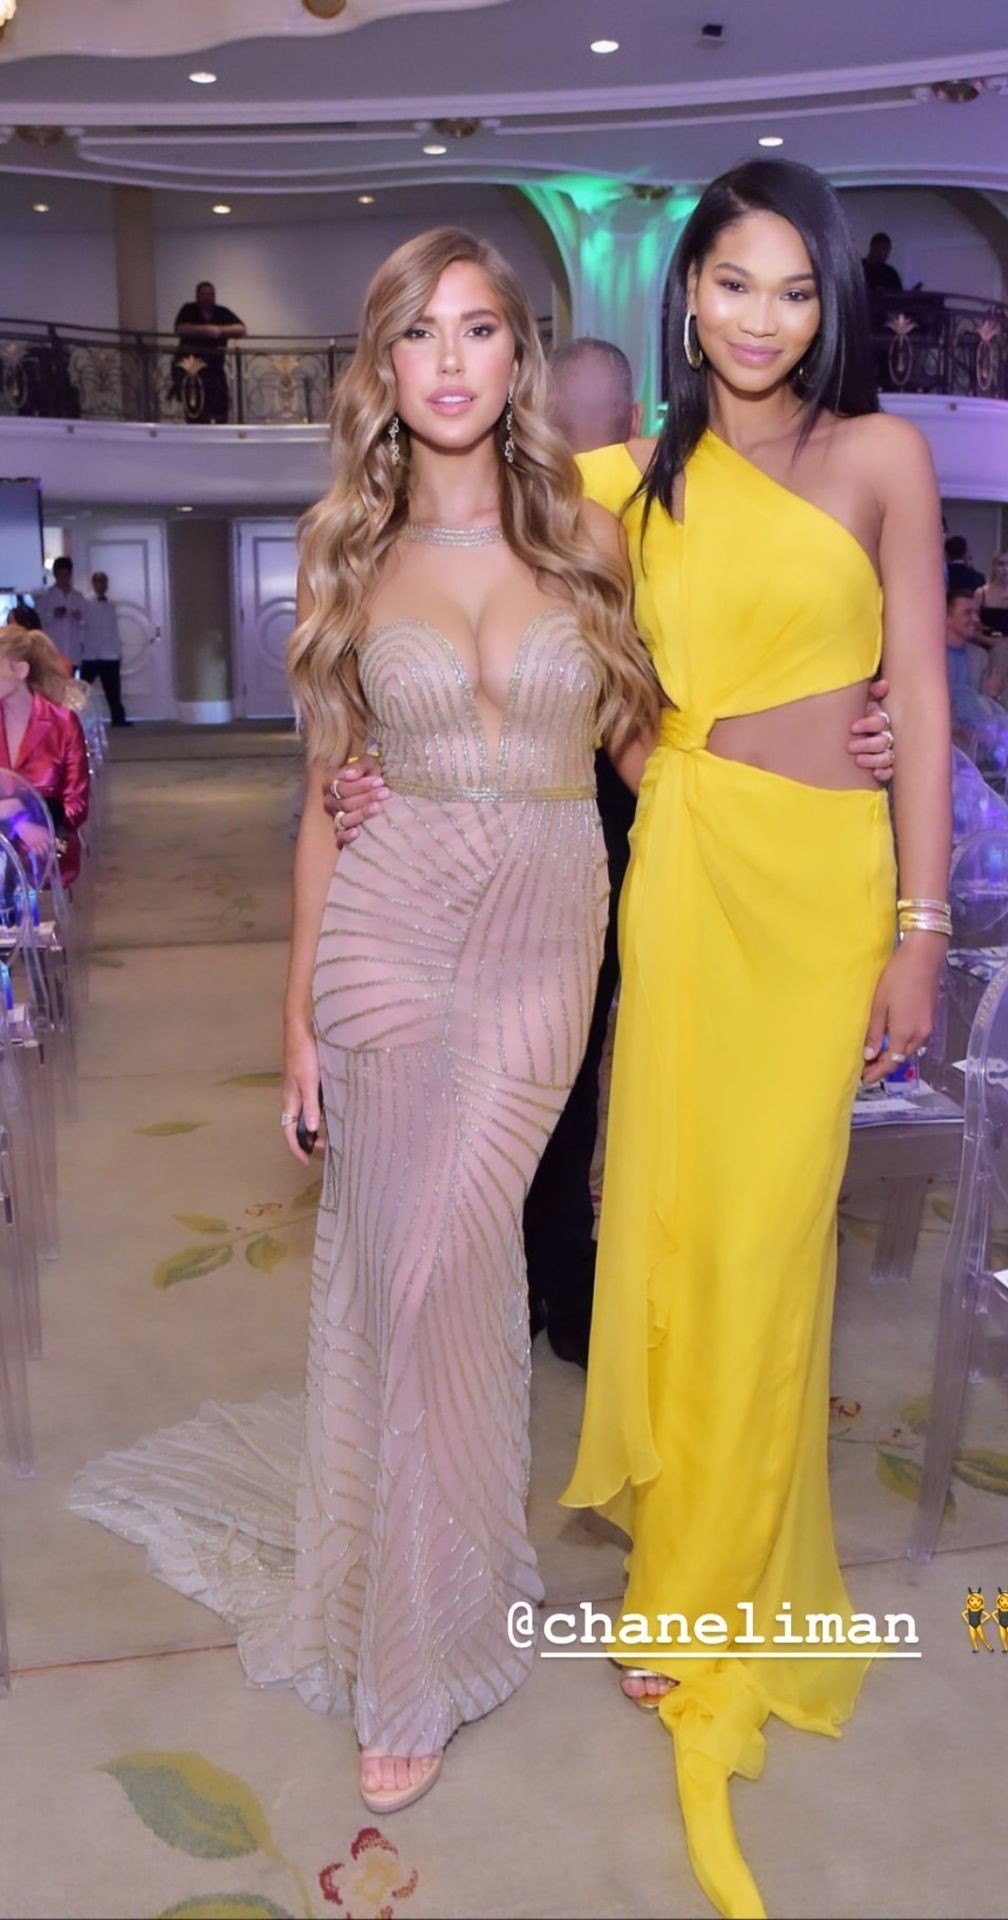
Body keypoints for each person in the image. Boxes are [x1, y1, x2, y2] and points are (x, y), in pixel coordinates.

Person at [70, 229, 659, 1817]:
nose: (451, 360)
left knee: (456, 1261)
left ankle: (452, 1577)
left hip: (544, 937)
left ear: (518, 357)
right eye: (420, 334)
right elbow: (324, 806)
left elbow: (650, 745)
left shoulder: (589, 536)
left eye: (480, 330)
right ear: (383, 369)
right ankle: (414, 1649)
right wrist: (298, 1023)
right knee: (417, 1284)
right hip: (390, 935)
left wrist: (822, 744)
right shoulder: (349, 551)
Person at [561, 158, 949, 1917]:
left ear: (830, 303)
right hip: (691, 878)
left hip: (826, 902)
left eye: (795, 289)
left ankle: (717, 1583)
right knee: (679, 1229)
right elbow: (539, 644)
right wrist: (660, 756)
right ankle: (683, 1574)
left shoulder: (882, 459)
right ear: (688, 293)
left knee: (775, 1242)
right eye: (733, 283)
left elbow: (919, 693)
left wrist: (923, 929)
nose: (763, 319)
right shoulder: (624, 485)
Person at [328, 341, 898, 1372]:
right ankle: (559, 1282)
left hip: (648, 814)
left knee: (583, 1071)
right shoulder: (580, 503)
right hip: (621, 814)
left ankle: (553, 1279)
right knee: (580, 1074)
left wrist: (851, 726)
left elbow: (731, 653)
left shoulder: (626, 501)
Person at [0, 623, 90, 888]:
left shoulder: (63, 724)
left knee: (30, 857)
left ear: (20, 671)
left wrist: (24, 810)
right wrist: (18, 823)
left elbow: (76, 805)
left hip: (49, 836)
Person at [172, 279, 247, 424]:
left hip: (215, 367)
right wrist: (204, 330)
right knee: (194, 407)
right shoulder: (188, 309)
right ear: (197, 295)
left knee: (220, 405)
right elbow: (180, 329)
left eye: (211, 294)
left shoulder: (221, 312)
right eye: (204, 294)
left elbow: (241, 329)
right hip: (192, 368)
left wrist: (219, 331)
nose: (207, 297)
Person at [80, 571, 129, 726]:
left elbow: (113, 630)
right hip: (90, 654)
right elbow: (81, 625)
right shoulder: (86, 604)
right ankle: (77, 717)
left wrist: (118, 651)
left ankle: (118, 719)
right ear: (93, 584)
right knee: (82, 689)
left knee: (113, 691)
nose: (101, 585)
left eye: (104, 581)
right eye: (98, 581)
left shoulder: (111, 605)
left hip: (110, 654)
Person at [34, 557, 87, 670]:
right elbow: (37, 620)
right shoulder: (45, 597)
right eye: (60, 575)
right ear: (55, 575)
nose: (63, 579)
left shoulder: (78, 597)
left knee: (72, 679)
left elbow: (87, 621)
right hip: (54, 651)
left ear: (70, 575)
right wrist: (53, 614)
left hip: (73, 652)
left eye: (66, 575)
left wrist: (79, 616)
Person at [945, 589, 989, 707]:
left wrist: (991, 694)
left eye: (976, 613)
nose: (976, 619)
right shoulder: (929, 656)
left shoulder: (980, 656)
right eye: (968, 613)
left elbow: (984, 705)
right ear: (947, 617)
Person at [973, 549, 1008, 640]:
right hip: (985, 643)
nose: (1006, 569)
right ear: (994, 566)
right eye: (1001, 564)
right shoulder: (981, 593)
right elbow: (973, 626)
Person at [861, 230, 902, 296]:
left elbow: (899, 295)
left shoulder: (891, 273)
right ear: (873, 247)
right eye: (884, 249)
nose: (886, 254)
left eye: (888, 250)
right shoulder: (859, 269)